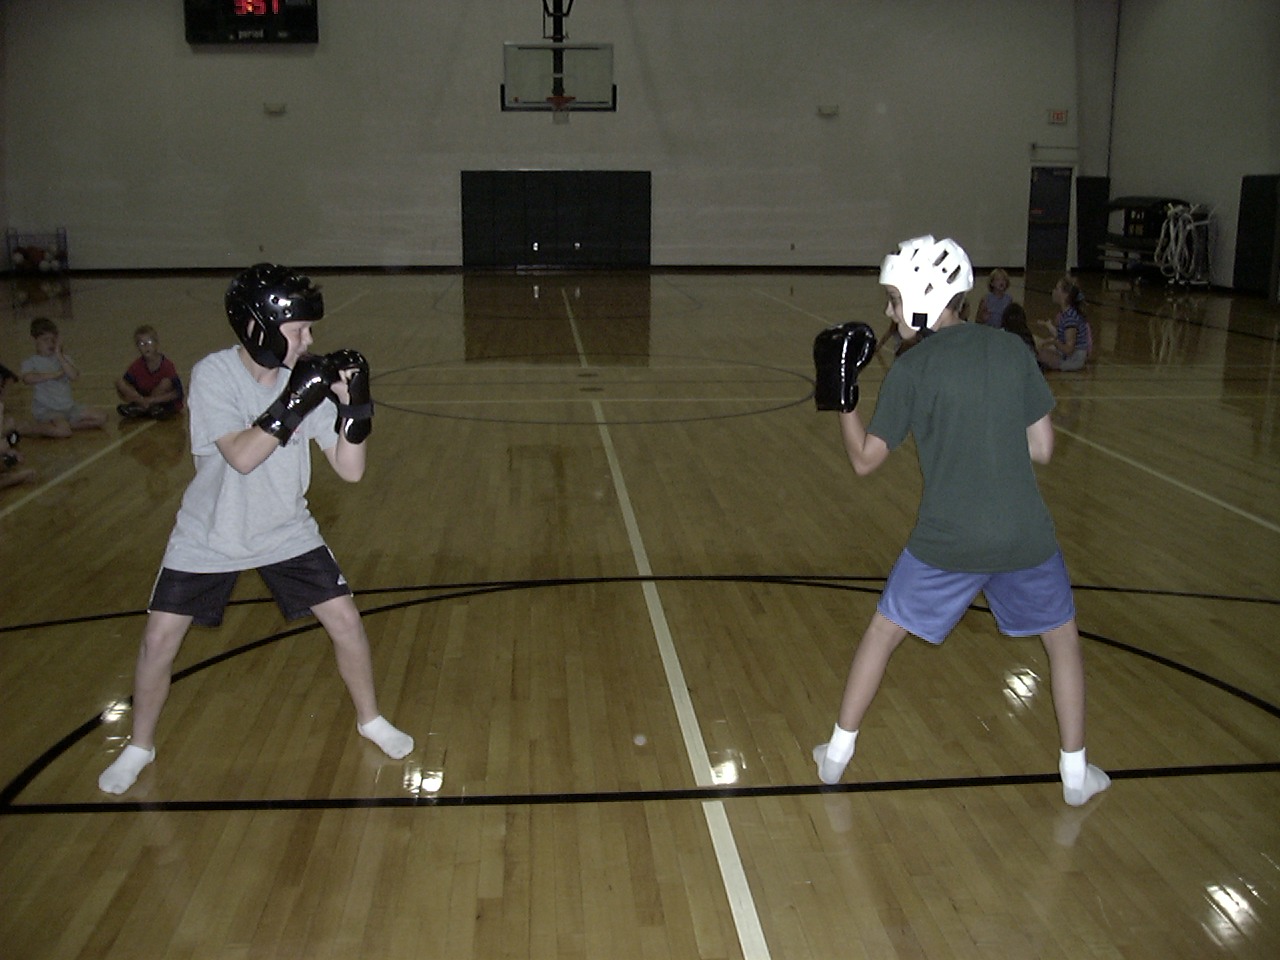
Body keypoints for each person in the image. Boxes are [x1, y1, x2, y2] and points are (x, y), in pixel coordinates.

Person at [811, 235, 1109, 807]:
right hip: (1024, 535)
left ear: (923, 300)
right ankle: (1075, 775)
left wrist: (843, 401)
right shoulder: (1011, 350)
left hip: (945, 540)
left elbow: (865, 460)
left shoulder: (914, 368)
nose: (889, 313)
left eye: (894, 301)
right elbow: (1043, 448)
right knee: (1062, 641)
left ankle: (836, 757)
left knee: (883, 633)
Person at [98, 263, 413, 795]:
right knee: (158, 642)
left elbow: (350, 469)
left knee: (346, 622)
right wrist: (298, 398)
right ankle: (139, 746)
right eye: (299, 331)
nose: (309, 340)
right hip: (210, 532)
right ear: (258, 328)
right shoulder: (214, 375)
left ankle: (370, 719)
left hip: (285, 527)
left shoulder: (301, 379)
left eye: (310, 330)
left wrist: (354, 411)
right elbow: (243, 456)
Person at [20, 317, 108, 436]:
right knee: (63, 432)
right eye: (45, 340)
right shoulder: (31, 362)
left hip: (69, 407)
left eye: (53, 340)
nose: (50, 343)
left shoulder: (64, 359)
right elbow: (27, 379)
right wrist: (54, 375)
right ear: (34, 340)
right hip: (48, 410)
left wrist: (59, 355)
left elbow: (74, 376)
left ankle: (67, 425)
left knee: (102, 417)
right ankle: (30, 429)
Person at [116, 324, 184, 419]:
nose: (146, 346)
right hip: (144, 397)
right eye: (141, 344)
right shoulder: (136, 366)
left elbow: (178, 393)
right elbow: (125, 385)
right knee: (120, 382)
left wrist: (152, 400)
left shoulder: (167, 365)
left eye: (149, 342)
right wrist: (138, 399)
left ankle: (141, 408)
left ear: (156, 344)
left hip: (161, 400)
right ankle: (143, 406)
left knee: (166, 383)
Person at [1037, 276, 1093, 371]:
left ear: (1065, 295)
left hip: (1073, 359)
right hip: (1069, 356)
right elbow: (1062, 336)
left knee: (1037, 352)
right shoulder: (1065, 314)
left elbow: (1069, 349)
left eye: (1057, 289)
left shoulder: (1070, 317)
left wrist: (1053, 342)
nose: (1053, 291)